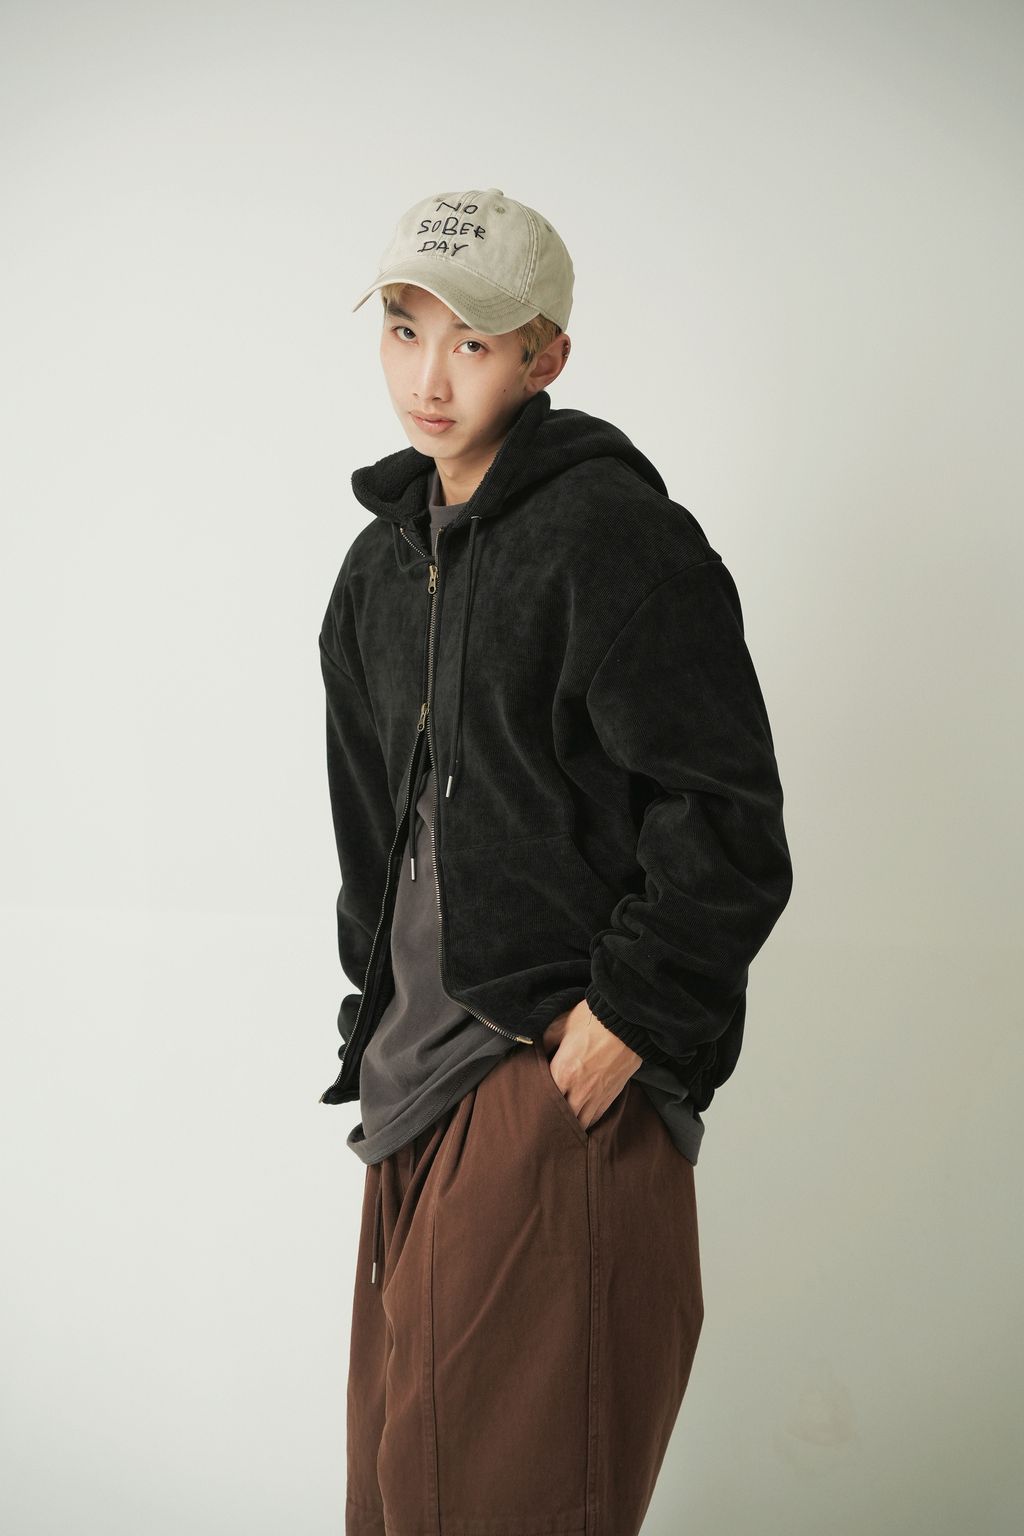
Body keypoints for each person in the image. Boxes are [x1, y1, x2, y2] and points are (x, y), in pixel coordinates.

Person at [317, 186, 794, 1536]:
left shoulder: (616, 541)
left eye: (472, 341)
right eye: (405, 329)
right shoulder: (376, 570)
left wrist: (627, 1019)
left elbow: (727, 820)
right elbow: (370, 834)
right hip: (410, 1091)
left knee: (503, 1506)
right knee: (399, 1502)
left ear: (545, 357)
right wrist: (368, 1018)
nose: (429, 375)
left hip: (546, 1082)